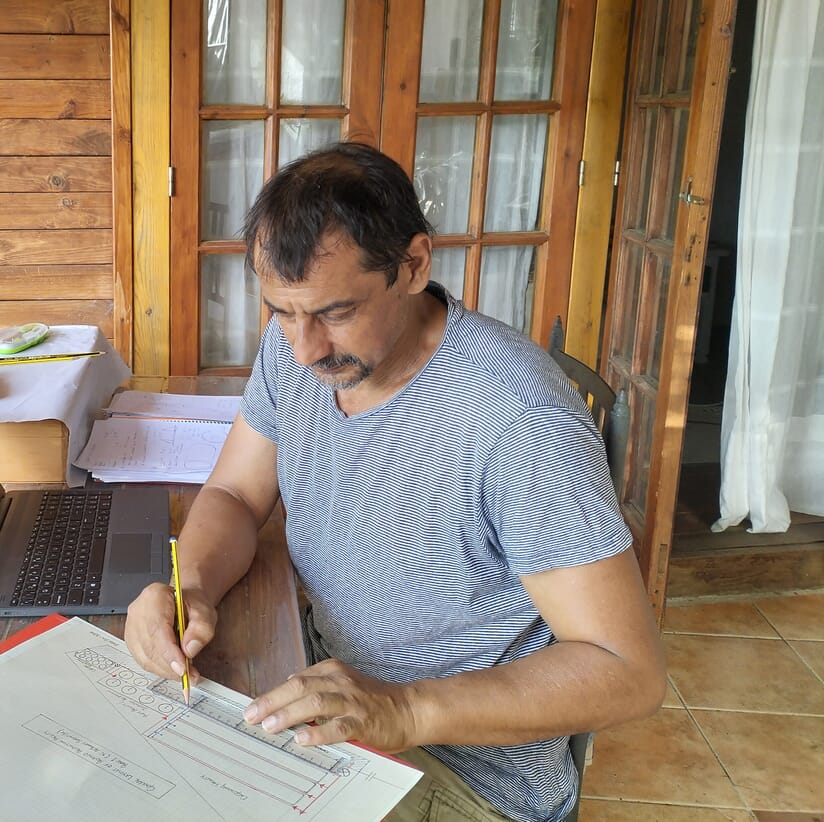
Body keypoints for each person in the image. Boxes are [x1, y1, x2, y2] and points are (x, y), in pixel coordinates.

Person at [124, 142, 665, 822]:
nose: (304, 349)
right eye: (282, 313)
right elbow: (235, 494)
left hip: (467, 772)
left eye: (336, 313)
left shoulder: (518, 421)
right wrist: (191, 588)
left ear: (412, 265)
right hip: (325, 684)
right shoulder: (297, 349)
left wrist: (404, 708)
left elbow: (628, 671)